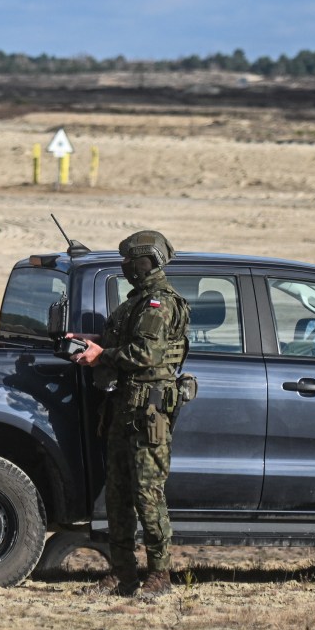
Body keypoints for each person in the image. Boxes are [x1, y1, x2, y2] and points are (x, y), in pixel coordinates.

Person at [70, 230, 190, 595]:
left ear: (145, 262)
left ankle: (160, 575)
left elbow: (145, 356)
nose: (124, 268)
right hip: (123, 408)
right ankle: (122, 572)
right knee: (119, 496)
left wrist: (100, 356)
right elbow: (124, 341)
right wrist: (94, 344)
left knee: (147, 494)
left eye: (128, 261)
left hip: (148, 413)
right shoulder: (134, 303)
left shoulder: (159, 304)